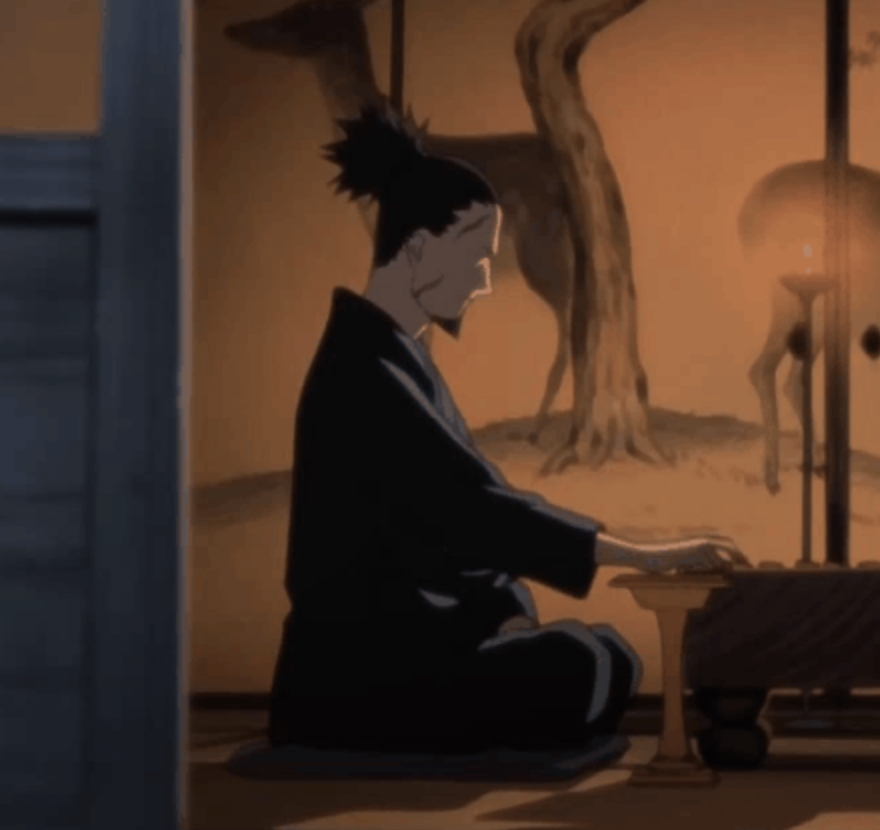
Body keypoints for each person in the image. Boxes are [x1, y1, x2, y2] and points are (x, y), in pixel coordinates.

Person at [267, 105, 748, 755]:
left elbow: (455, 526)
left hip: (418, 641)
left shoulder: (396, 359)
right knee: (582, 663)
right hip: (357, 670)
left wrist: (506, 612)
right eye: (475, 258)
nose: (484, 282)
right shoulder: (363, 373)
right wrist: (644, 555)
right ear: (418, 249)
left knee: (609, 657)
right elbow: (473, 513)